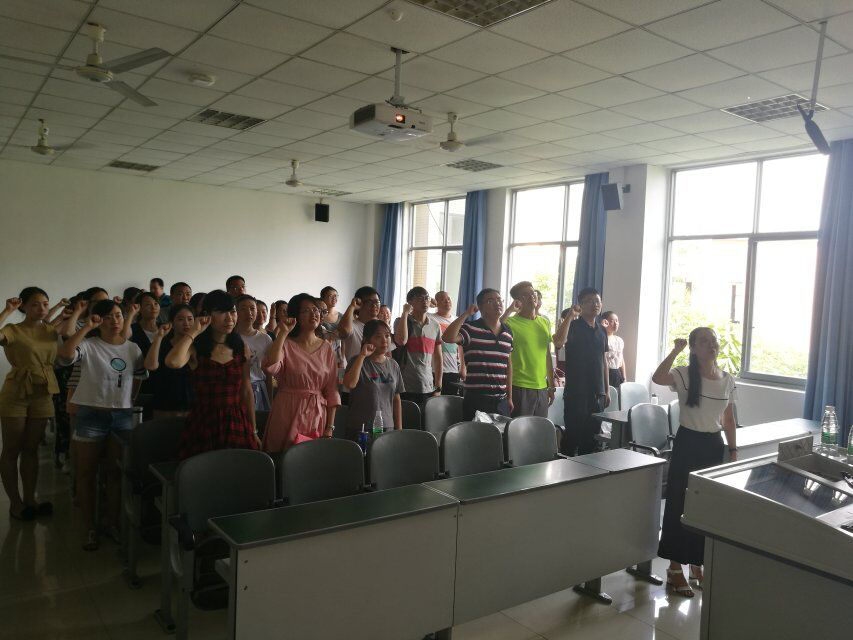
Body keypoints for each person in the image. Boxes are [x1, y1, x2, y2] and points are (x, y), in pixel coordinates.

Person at [652, 328, 737, 598]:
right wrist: (675, 350)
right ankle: (675, 567)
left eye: (714, 341)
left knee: (705, 507)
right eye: (704, 341)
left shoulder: (727, 379)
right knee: (680, 503)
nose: (711, 345)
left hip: (713, 446)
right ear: (694, 348)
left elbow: (728, 419)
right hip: (688, 444)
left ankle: (697, 563)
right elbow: (657, 378)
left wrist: (733, 450)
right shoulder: (684, 374)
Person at [57, 299, 147, 550]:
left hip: (121, 417)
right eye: (107, 317)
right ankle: (89, 528)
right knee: (86, 474)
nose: (114, 321)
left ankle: (111, 523)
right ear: (97, 320)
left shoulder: (133, 348)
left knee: (115, 473)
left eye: (118, 315)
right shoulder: (89, 345)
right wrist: (87, 327)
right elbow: (65, 355)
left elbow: (139, 377)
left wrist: (129, 401)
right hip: (91, 415)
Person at [165, 290, 259, 460]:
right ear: (207, 315)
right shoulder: (196, 348)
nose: (229, 318)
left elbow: (246, 390)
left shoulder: (241, 347)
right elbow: (172, 362)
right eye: (221, 311)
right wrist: (194, 331)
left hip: (236, 421)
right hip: (204, 421)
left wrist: (253, 430)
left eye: (232, 311)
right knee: (203, 470)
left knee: (237, 468)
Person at [0, 289, 60, 521]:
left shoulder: (51, 330)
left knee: (31, 448)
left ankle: (30, 499)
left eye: (45, 304)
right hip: (16, 392)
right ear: (23, 306)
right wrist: (7, 310)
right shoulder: (13, 329)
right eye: (35, 304)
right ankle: (15, 503)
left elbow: (70, 334)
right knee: (11, 449)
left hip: (43, 391)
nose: (42, 308)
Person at [262, 294, 340, 452]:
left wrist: (330, 427)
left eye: (316, 310)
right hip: (287, 410)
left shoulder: (327, 348)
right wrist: (283, 333)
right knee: (281, 458)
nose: (314, 314)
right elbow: (271, 366)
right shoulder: (285, 344)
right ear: (295, 315)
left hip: (316, 413)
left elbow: (332, 390)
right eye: (306, 310)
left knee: (309, 460)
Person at [441, 288, 513, 420]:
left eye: (499, 299)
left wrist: (509, 397)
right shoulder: (470, 328)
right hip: (477, 399)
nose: (497, 303)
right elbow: (447, 337)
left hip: (501, 401)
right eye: (490, 301)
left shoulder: (508, 332)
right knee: (475, 433)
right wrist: (466, 314)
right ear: (480, 307)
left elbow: (508, 366)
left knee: (501, 433)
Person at [553, 288, 609, 456]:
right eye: (590, 301)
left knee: (591, 439)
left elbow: (604, 360)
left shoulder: (602, 330)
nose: (595, 304)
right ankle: (564, 469)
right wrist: (570, 316)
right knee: (573, 437)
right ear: (580, 305)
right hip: (577, 392)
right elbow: (558, 342)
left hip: (597, 393)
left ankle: (587, 470)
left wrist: (606, 390)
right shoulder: (573, 326)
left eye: (597, 301)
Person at [342, 319, 403, 439]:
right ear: (367, 339)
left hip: (387, 427)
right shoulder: (357, 361)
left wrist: (399, 429)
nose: (384, 340)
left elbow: (396, 399)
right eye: (378, 336)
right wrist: (362, 355)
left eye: (387, 336)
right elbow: (349, 384)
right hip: (360, 427)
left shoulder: (393, 365)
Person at [502, 281, 554, 418]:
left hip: (542, 387)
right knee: (519, 429)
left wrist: (551, 385)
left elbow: (547, 356)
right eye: (526, 295)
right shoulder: (510, 323)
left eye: (533, 293)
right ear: (518, 301)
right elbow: (494, 329)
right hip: (519, 386)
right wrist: (509, 310)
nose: (532, 296)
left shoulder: (544, 322)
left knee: (539, 428)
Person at [393, 287, 442, 411]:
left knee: (426, 420)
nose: (424, 301)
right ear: (410, 302)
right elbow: (401, 340)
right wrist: (405, 313)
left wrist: (438, 385)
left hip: (428, 385)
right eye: (420, 298)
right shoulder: (401, 321)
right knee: (407, 419)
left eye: (427, 298)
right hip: (405, 384)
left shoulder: (435, 326)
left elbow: (438, 357)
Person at [144, 304, 194, 418]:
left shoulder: (196, 345)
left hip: (190, 406)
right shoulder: (162, 343)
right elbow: (150, 366)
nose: (186, 323)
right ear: (172, 323)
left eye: (190, 319)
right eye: (180, 319)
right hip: (164, 404)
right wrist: (159, 336)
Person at [235, 295, 273, 411]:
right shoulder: (230, 338)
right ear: (235, 312)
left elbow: (268, 373)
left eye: (252, 308)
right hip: (236, 391)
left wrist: (270, 400)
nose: (249, 312)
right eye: (243, 309)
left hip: (260, 392)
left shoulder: (265, 339)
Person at [431, 291, 465, 396]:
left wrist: (463, 367)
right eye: (443, 299)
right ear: (436, 303)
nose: (447, 301)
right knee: (433, 402)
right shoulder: (430, 318)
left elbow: (461, 346)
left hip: (452, 370)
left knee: (450, 401)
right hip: (433, 369)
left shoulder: (457, 320)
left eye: (448, 299)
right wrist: (428, 303)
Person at [343, 286, 381, 361]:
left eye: (377, 302)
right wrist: (352, 306)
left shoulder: (381, 326)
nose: (374, 305)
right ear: (359, 303)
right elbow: (344, 331)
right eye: (369, 302)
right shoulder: (352, 326)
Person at [601, 310, 626, 388]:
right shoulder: (601, 339)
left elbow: (621, 360)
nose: (616, 323)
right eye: (612, 321)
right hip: (605, 373)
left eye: (617, 321)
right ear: (605, 322)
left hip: (617, 373)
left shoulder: (619, 340)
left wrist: (624, 377)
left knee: (618, 394)